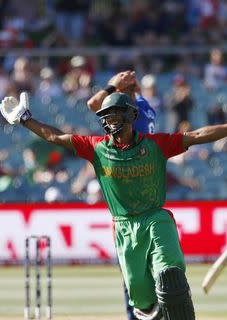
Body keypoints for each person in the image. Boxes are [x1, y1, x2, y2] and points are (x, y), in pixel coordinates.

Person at [0, 91, 227, 320]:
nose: (110, 120)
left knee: (169, 276)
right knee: (142, 301)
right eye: (107, 116)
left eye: (116, 114)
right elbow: (56, 137)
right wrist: (25, 120)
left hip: (156, 219)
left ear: (130, 116)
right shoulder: (97, 148)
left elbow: (196, 135)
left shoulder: (156, 145)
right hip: (124, 227)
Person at [87, 70, 156, 320]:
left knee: (132, 267)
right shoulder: (145, 107)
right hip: (147, 179)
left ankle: (137, 314)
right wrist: (129, 88)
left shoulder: (126, 116)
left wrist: (111, 85)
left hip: (127, 177)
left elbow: (93, 104)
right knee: (151, 264)